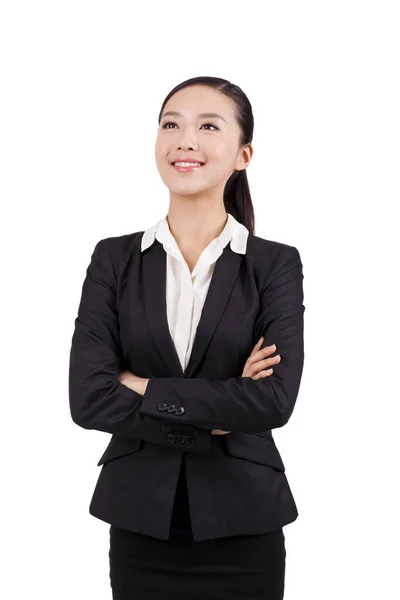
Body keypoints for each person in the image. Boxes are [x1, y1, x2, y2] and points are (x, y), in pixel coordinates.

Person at [69, 75, 305, 599]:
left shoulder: (273, 265)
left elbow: (271, 400)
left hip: (244, 521)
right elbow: (88, 398)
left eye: (208, 126)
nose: (185, 140)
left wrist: (141, 385)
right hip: (140, 521)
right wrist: (215, 418)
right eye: (171, 124)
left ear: (243, 154)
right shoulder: (115, 258)